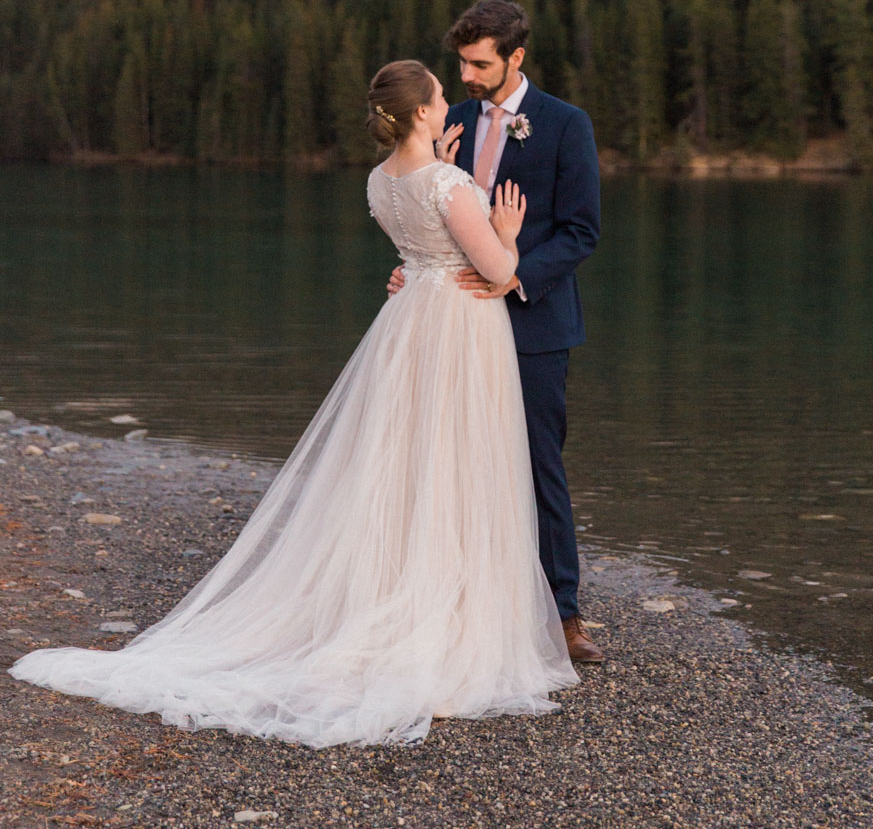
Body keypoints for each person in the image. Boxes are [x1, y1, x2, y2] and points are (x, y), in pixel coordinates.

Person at [8, 60, 577, 747]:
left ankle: (400, 592)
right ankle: (447, 617)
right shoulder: (449, 183)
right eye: (438, 95)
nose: (447, 99)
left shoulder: (380, 181)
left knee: (402, 465)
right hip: (457, 328)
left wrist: (454, 194)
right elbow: (497, 270)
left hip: (408, 327)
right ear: (425, 114)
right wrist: (509, 230)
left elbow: (420, 243)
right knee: (456, 463)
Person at [388, 0, 604, 664]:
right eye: (462, 64)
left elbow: (580, 231)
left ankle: (561, 616)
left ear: (517, 58)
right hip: (450, 323)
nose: (469, 76)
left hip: (533, 323)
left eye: (481, 64)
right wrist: (409, 268)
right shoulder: (446, 118)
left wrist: (512, 277)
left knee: (539, 466)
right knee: (449, 461)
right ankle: (459, 603)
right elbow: (428, 213)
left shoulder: (566, 125)